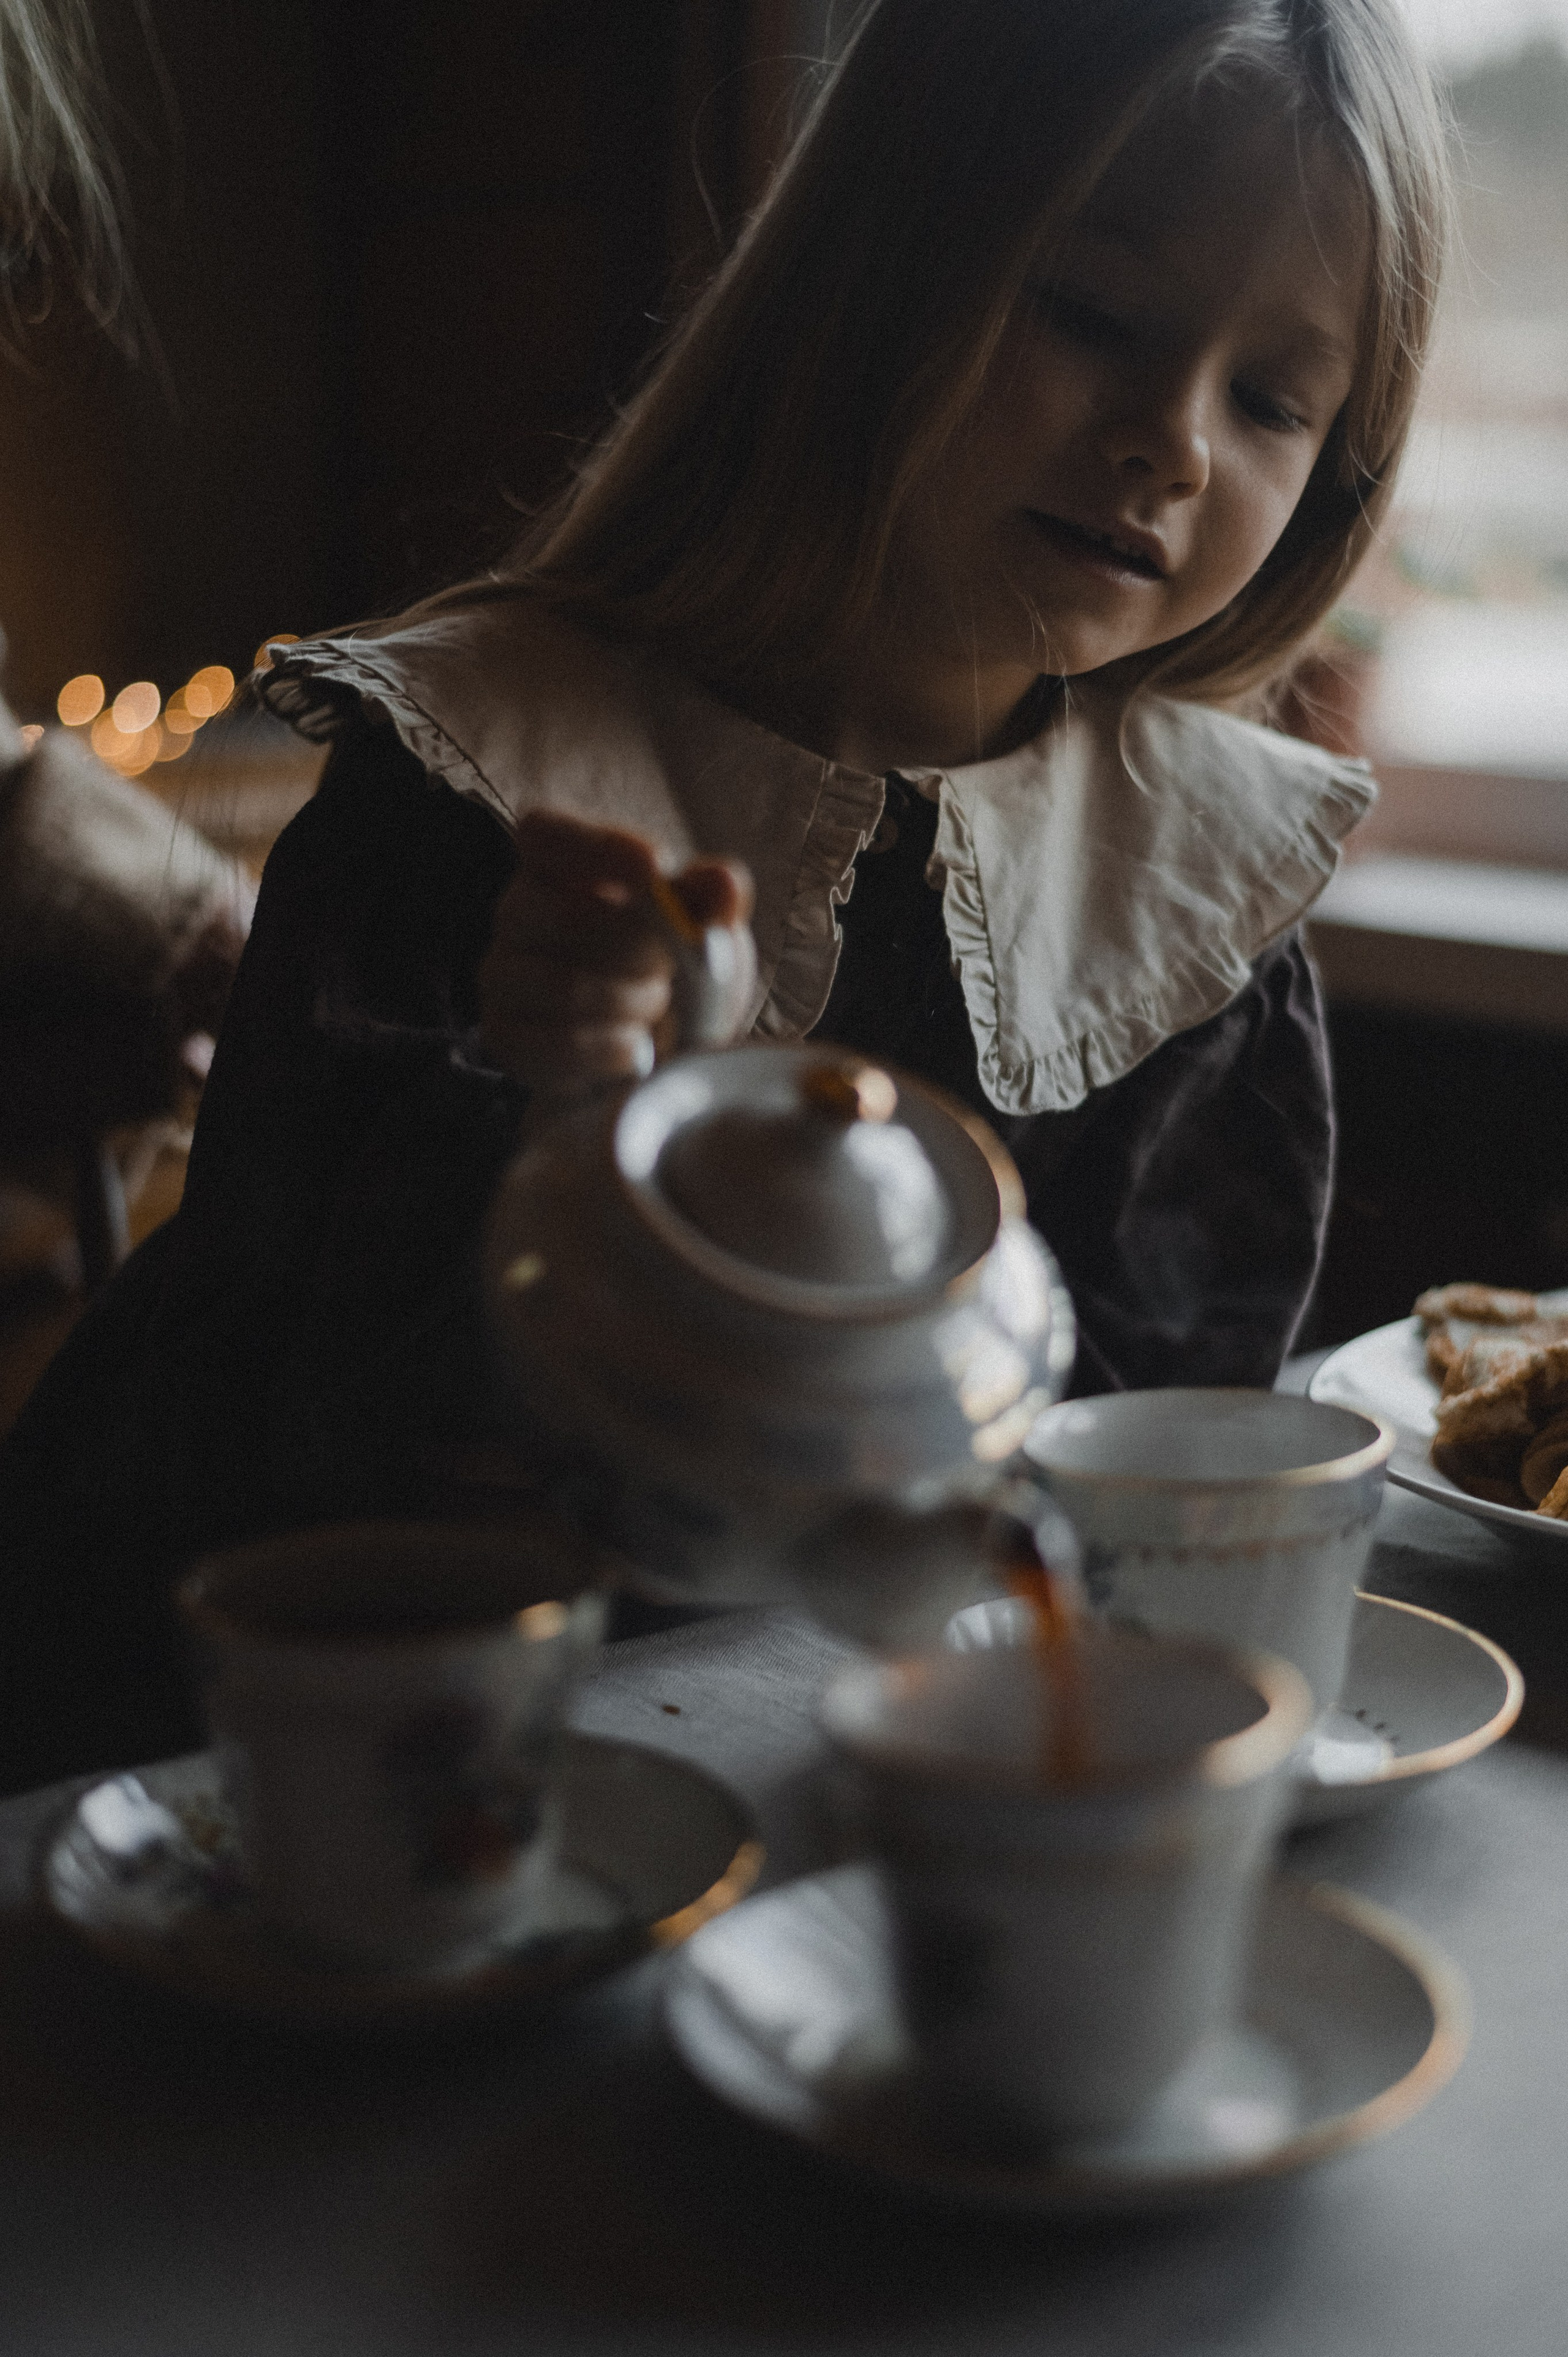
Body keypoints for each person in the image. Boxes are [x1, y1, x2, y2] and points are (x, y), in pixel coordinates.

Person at [0, 0, 1451, 1789]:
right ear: (873, 271)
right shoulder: (490, 771)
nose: (1172, 441)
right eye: (1090, 313)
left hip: (846, 1762)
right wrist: (568, 1117)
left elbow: (1146, 1459)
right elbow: (299, 1406)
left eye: (1271, 398)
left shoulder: (1193, 894)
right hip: (302, 1743)